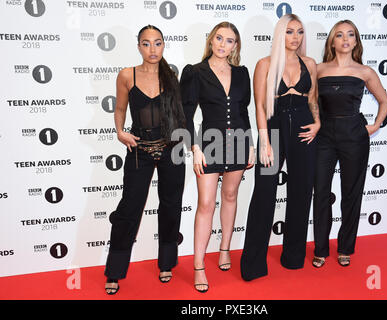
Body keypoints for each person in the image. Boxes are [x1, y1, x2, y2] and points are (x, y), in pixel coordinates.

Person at [104, 25, 186, 294]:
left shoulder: (171, 75)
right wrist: (120, 132)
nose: (153, 49)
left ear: (164, 45)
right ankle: (114, 271)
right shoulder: (127, 74)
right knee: (129, 208)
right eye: (147, 43)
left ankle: (166, 263)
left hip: (170, 148)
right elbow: (119, 108)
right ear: (139, 46)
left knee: (171, 206)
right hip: (139, 149)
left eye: (158, 43)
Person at [240, 14, 320, 281]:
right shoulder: (265, 64)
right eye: (289, 32)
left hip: (303, 127)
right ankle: (253, 265)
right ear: (279, 35)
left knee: (301, 193)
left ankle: (293, 258)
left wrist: (318, 123)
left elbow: (313, 100)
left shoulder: (310, 63)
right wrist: (264, 140)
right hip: (272, 129)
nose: (295, 37)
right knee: (263, 195)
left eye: (299, 32)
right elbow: (260, 106)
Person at [180, 21, 254, 293]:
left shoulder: (242, 73)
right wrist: (194, 147)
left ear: (236, 45)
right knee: (206, 203)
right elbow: (185, 112)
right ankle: (199, 265)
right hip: (208, 143)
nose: (223, 44)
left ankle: (225, 249)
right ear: (211, 41)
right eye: (219, 38)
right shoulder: (195, 72)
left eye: (230, 40)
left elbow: (243, 112)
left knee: (231, 196)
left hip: (238, 142)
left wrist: (250, 144)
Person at [312, 20, 387, 268]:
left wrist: (375, 125)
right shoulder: (318, 69)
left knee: (351, 194)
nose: (345, 39)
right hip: (324, 136)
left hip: (354, 135)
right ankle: (321, 249)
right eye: (339, 35)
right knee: (321, 192)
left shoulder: (365, 71)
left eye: (350, 35)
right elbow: (312, 102)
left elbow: (384, 101)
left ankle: (345, 247)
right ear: (331, 42)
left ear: (356, 41)